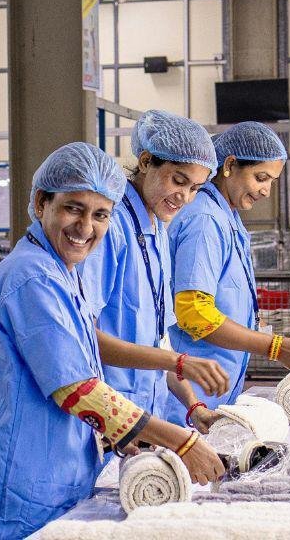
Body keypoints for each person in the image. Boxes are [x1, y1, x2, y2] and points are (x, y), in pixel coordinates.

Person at [0, 142, 225, 539]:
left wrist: (117, 432)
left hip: (51, 478)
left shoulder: (63, 272)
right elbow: (76, 389)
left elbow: (77, 365)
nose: (85, 227)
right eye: (73, 209)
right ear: (41, 203)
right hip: (12, 490)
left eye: (100, 215)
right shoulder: (32, 277)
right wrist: (179, 440)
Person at [81, 110, 227, 433]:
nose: (184, 197)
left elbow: (159, 341)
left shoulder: (158, 230)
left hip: (145, 416)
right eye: (179, 181)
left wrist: (194, 406)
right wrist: (179, 362)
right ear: (146, 161)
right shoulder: (111, 227)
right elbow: (81, 337)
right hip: (106, 416)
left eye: (195, 188)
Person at [166, 122, 290, 414]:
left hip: (214, 389)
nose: (266, 191)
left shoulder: (227, 218)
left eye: (271, 182)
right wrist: (273, 346)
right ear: (229, 165)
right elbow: (193, 312)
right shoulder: (205, 220)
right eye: (261, 178)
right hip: (190, 395)